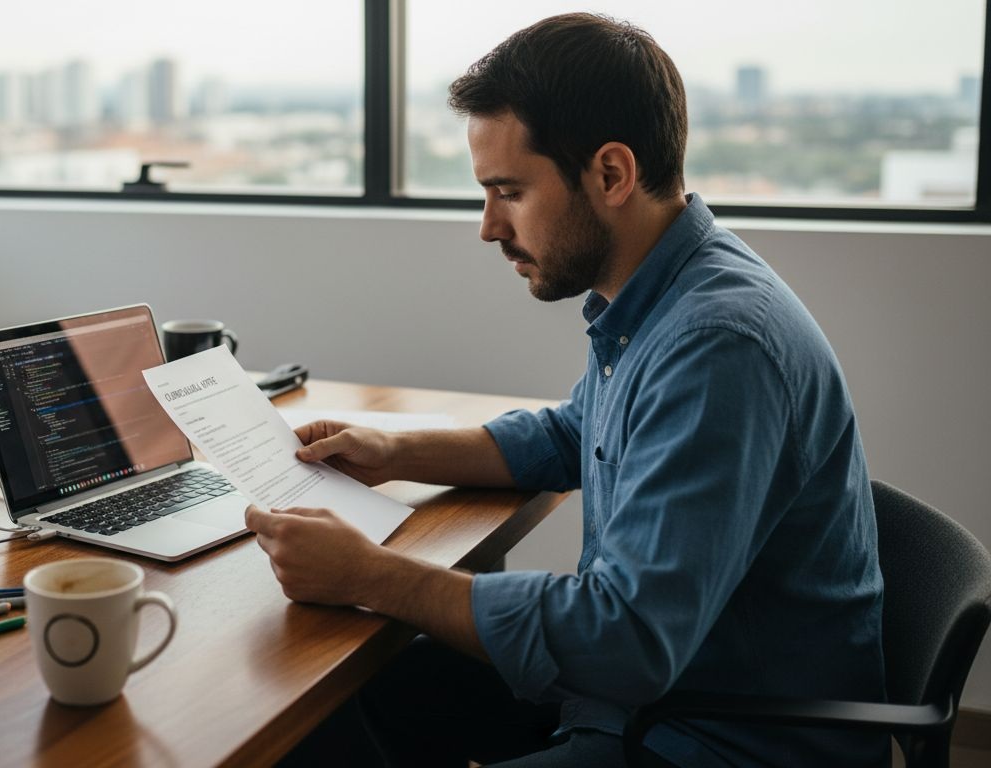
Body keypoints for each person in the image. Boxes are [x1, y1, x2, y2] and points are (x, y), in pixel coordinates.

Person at [244, 12, 887, 768]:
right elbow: (573, 435)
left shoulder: (716, 344)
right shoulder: (668, 290)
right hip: (645, 700)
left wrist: (372, 575)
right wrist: (394, 449)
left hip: (711, 738)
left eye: (508, 191)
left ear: (610, 174)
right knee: (344, 701)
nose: (488, 227)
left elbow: (626, 641)